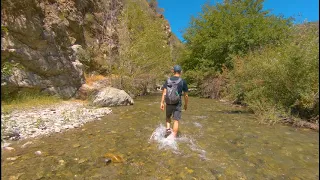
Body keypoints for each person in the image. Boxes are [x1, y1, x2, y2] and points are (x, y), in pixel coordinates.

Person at [160, 65, 188, 138]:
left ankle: (168, 129)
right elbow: (186, 95)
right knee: (176, 120)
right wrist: (186, 104)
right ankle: (173, 137)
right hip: (177, 103)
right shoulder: (182, 81)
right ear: (180, 72)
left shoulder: (168, 80)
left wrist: (162, 103)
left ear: (173, 71)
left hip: (168, 102)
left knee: (168, 116)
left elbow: (164, 92)